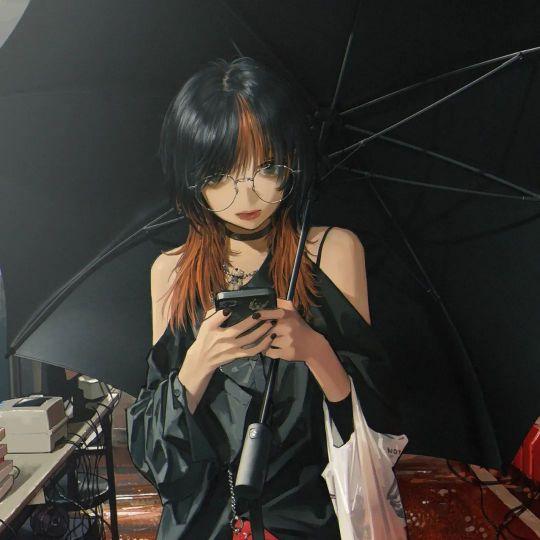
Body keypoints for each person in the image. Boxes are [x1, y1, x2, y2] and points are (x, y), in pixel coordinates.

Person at [126, 57, 405, 540]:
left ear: (292, 161)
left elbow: (376, 426)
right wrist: (196, 366)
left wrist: (316, 351)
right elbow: (155, 457)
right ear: (192, 177)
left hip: (306, 519)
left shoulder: (331, 252)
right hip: (201, 524)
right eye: (219, 174)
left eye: (268, 167)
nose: (247, 195)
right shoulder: (171, 271)